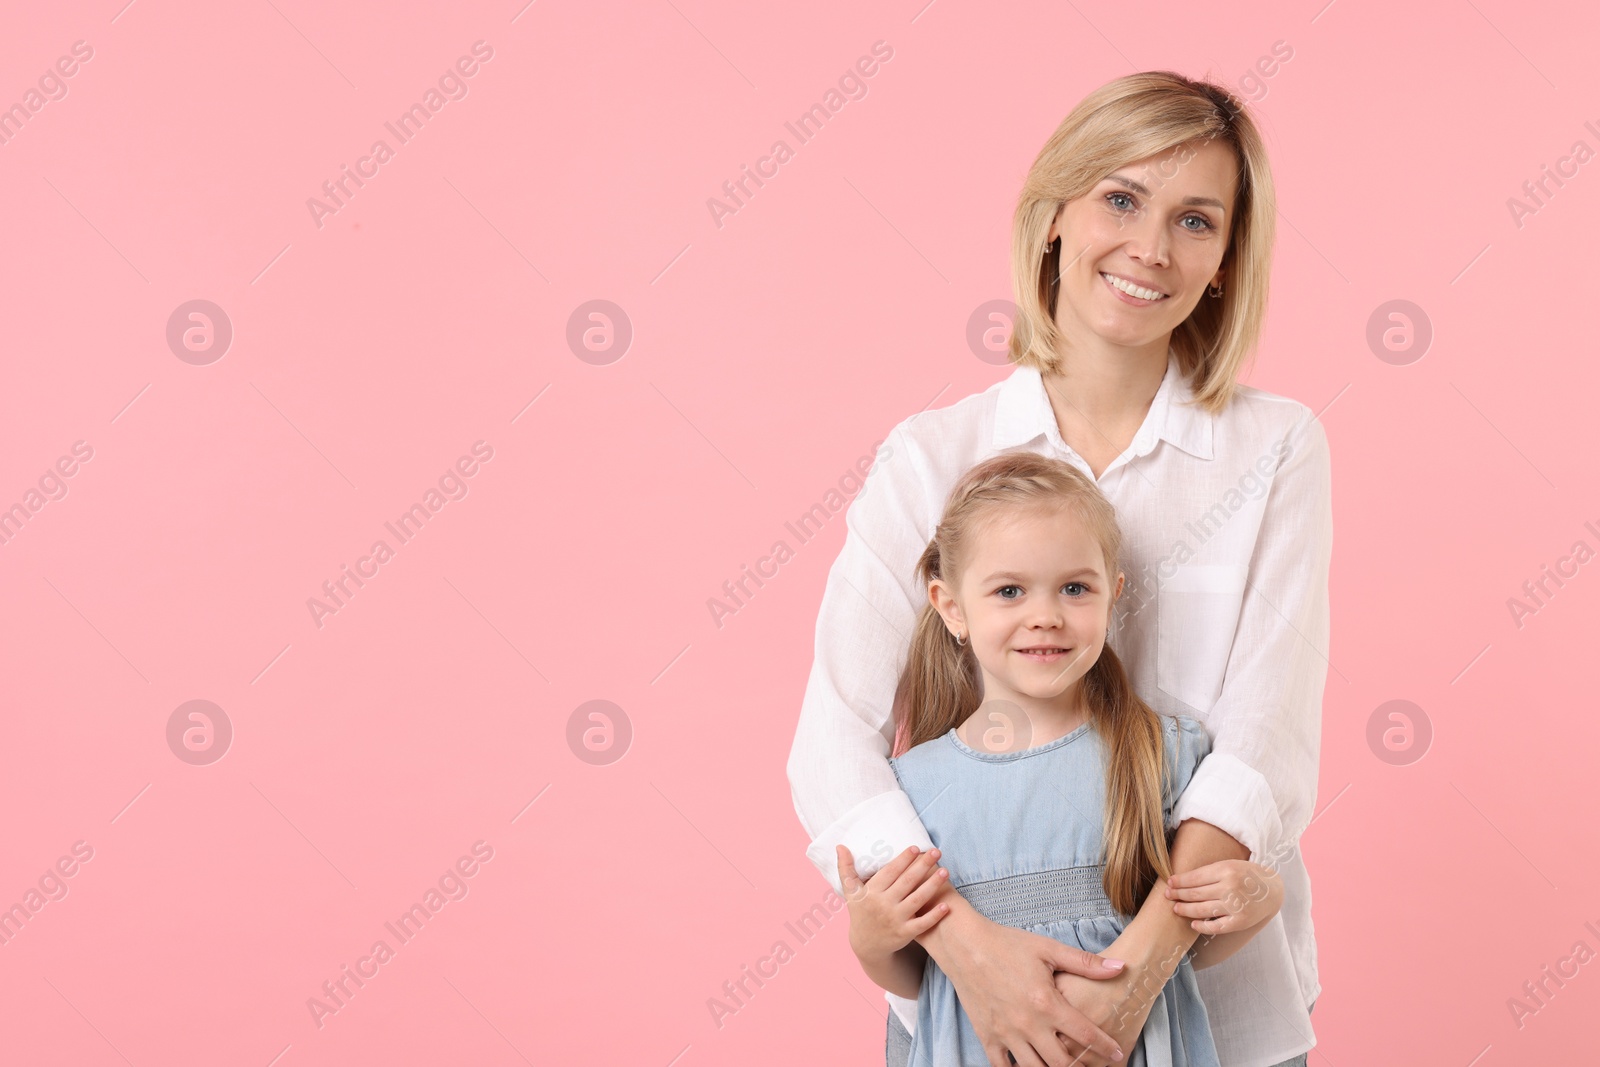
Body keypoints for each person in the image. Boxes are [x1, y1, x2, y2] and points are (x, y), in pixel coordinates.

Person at [786, 70, 1332, 1067]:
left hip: (1214, 993)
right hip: (976, 1012)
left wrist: (1132, 979)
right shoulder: (930, 455)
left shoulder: (1277, 447)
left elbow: (1267, 736)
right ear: (1052, 219)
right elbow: (832, 740)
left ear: (1224, 262)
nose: (1150, 248)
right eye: (1120, 198)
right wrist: (970, 952)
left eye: (1196, 219)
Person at [835, 451, 1285, 1066]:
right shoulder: (911, 790)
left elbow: (1188, 946)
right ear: (951, 607)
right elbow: (916, 978)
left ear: (1113, 594)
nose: (1044, 616)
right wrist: (871, 937)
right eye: (1009, 591)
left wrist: (1260, 898)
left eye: (1075, 588)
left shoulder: (1163, 753)